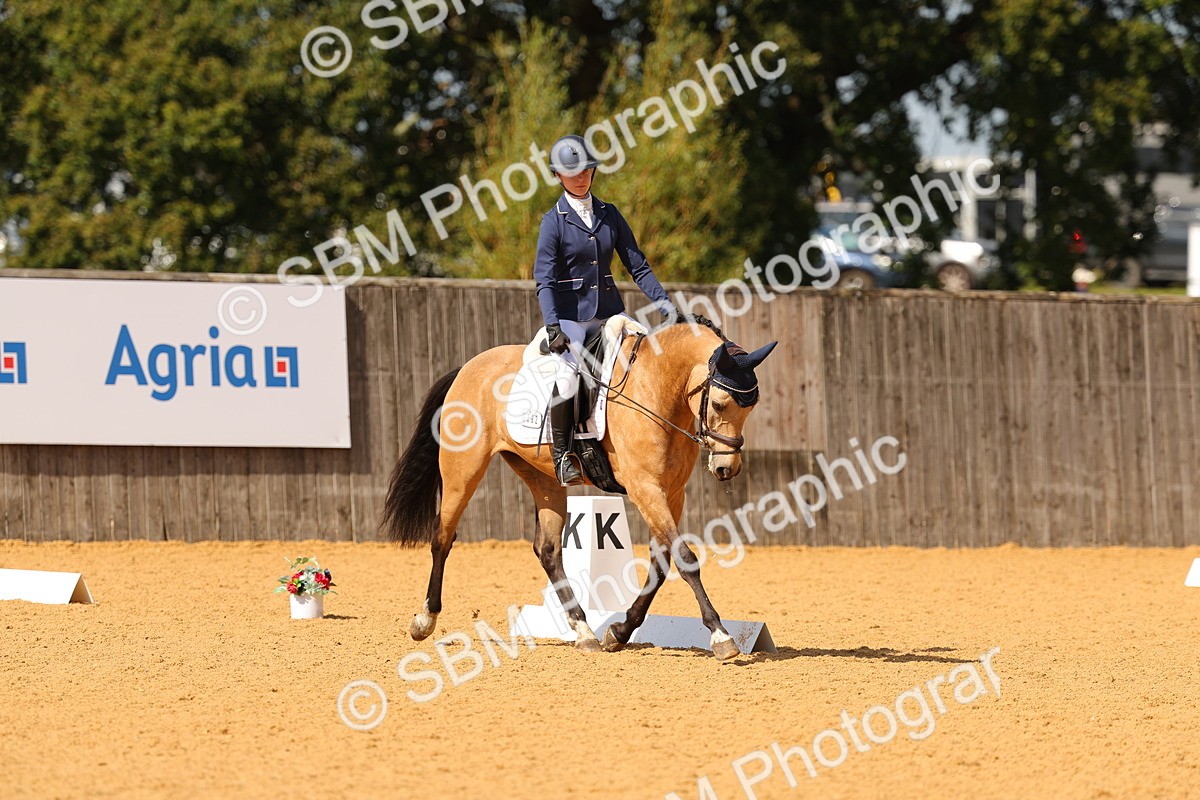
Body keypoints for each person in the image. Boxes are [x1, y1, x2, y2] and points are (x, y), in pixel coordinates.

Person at [533, 134, 677, 486]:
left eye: (586, 170)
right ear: (558, 176)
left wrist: (666, 306)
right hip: (571, 317)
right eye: (572, 173)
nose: (580, 178)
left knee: (644, 355)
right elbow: (544, 279)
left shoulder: (609, 214)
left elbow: (637, 266)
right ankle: (563, 455)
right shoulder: (553, 221)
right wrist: (553, 326)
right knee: (567, 374)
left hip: (611, 313)